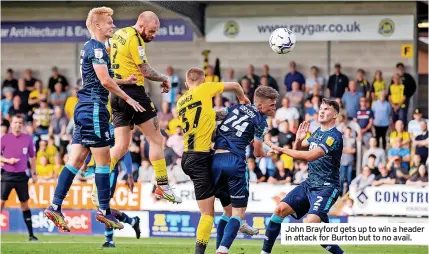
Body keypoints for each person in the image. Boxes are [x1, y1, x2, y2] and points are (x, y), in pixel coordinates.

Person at [44, 7, 144, 232]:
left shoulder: (91, 48)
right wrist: (128, 97)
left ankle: (55, 206)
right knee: (104, 161)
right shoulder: (98, 49)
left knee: (76, 159)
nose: (113, 25)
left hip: (83, 108)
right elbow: (106, 82)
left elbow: (102, 78)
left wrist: (125, 81)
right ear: (97, 25)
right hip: (94, 109)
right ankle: (104, 211)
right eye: (109, 22)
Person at [176, 67, 254, 254]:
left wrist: (222, 114)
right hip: (199, 158)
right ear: (203, 81)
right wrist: (242, 99)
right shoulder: (204, 89)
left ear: (187, 84)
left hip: (190, 155)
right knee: (207, 214)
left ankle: (237, 218)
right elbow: (235, 85)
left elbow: (206, 121)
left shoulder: (180, 102)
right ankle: (199, 252)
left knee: (221, 191)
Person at [106, 11, 181, 203]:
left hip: (115, 94)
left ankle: (100, 183)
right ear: (141, 26)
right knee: (156, 140)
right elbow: (145, 71)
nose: (153, 35)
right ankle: (163, 186)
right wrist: (165, 78)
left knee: (121, 146)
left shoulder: (119, 34)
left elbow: (108, 51)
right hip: (134, 93)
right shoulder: (135, 39)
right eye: (152, 31)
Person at [262, 99, 345, 254]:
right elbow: (298, 152)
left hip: (326, 187)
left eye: (326, 109)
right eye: (320, 108)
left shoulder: (333, 137)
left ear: (335, 115)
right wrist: (298, 140)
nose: (321, 111)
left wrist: (280, 148)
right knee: (279, 210)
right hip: (309, 184)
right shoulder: (316, 133)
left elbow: (310, 156)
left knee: (311, 223)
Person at [214, 86, 279, 254]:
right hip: (235, 162)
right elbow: (257, 152)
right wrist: (266, 152)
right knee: (239, 212)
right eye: (271, 105)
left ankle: (218, 248)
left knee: (227, 210)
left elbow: (215, 115)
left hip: (215, 160)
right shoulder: (261, 121)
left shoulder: (234, 107)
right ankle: (222, 249)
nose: (274, 108)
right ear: (259, 106)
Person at [1, 115, 38, 241]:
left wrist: (34, 173)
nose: (17, 124)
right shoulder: (4, 138)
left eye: (20, 122)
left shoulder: (27, 139)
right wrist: (7, 160)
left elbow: (32, 157)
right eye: (15, 122)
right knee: (1, 203)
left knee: (25, 205)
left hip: (22, 176)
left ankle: (31, 235)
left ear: (22, 124)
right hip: (7, 175)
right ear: (11, 124)